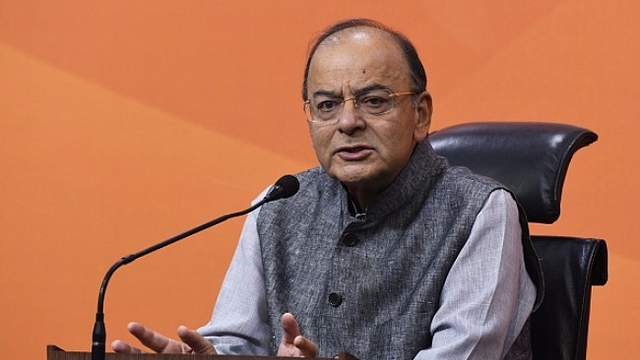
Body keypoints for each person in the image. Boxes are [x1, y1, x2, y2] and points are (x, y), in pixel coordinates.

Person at [112, 18, 542, 359]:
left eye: (374, 101)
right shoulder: (279, 205)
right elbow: (236, 340)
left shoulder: (481, 211)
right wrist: (208, 357)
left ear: (421, 114)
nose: (348, 122)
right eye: (327, 105)